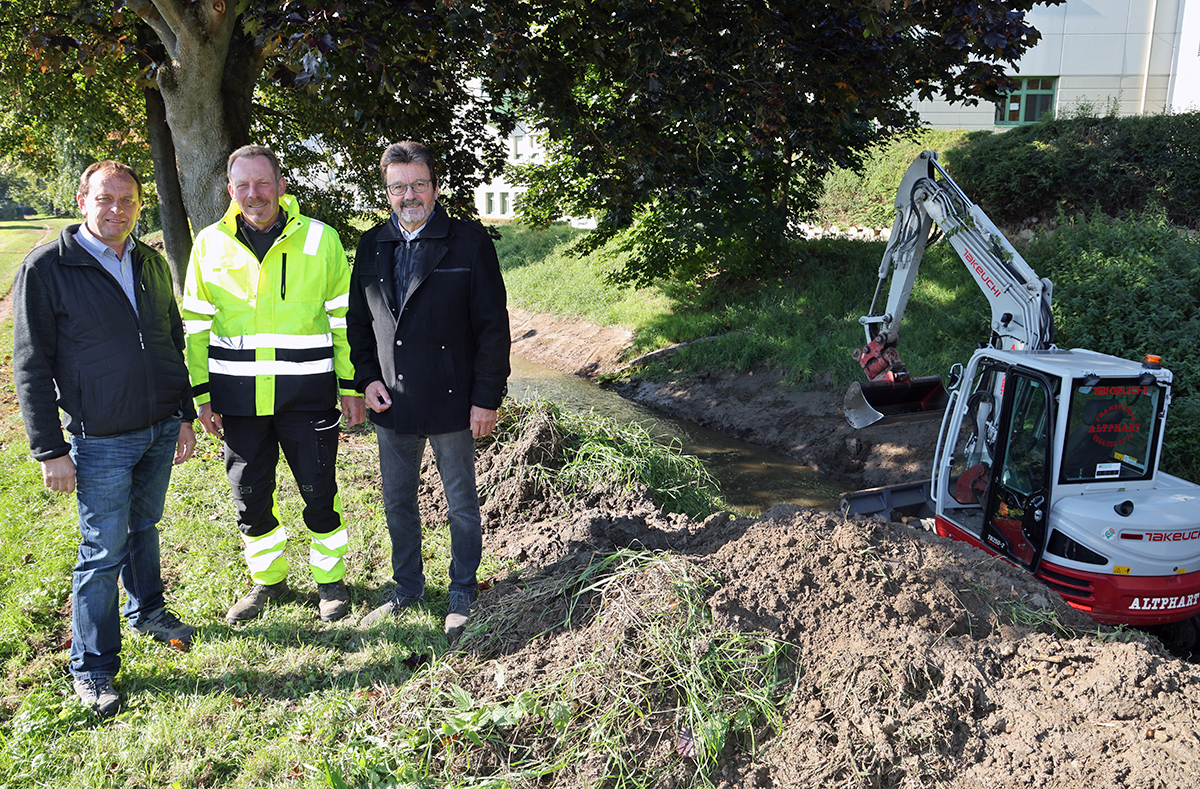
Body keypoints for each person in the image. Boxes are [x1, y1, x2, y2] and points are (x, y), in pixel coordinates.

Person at [12, 161, 198, 718]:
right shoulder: (47, 267)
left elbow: (170, 335)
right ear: (82, 200)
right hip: (99, 438)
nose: (116, 210)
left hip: (159, 426)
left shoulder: (148, 261)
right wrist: (50, 448)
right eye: (105, 199)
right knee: (101, 551)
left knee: (144, 526)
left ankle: (148, 613)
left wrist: (183, 413)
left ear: (140, 206)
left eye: (127, 201)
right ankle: (93, 668)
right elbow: (30, 364)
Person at [183, 145, 365, 625]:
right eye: (242, 185)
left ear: (282, 186)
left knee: (319, 490)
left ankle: (330, 582)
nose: (253, 194)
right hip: (238, 401)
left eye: (262, 183)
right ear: (230, 191)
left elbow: (344, 321)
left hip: (307, 396)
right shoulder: (209, 244)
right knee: (249, 496)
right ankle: (269, 581)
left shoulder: (321, 240)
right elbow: (195, 328)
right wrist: (201, 396)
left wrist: (350, 386)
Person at [347, 140, 510, 639]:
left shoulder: (468, 242)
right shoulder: (372, 245)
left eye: (418, 184)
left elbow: (492, 327)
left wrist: (487, 397)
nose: (409, 194)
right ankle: (407, 588)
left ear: (434, 187)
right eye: (399, 187)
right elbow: (359, 323)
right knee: (398, 500)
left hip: (453, 400)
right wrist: (366, 378)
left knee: (461, 502)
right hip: (391, 399)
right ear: (387, 193)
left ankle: (462, 588)